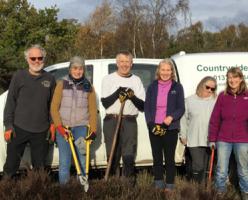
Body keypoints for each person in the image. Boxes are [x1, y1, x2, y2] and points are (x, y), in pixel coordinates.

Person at [3, 44, 56, 177]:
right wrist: (8, 126)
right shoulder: (18, 77)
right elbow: (10, 102)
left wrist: (52, 124)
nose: (37, 61)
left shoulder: (50, 79)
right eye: (33, 58)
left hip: (42, 130)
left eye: (40, 58)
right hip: (19, 128)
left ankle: (36, 193)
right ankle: (6, 192)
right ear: (27, 59)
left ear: (44, 58)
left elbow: (53, 105)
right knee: (11, 165)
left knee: (40, 168)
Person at [209, 67, 248, 200]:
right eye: (229, 78)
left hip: (243, 140)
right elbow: (215, 119)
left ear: (241, 78)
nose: (232, 80)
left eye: (235, 77)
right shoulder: (222, 96)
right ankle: (219, 194)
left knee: (243, 170)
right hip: (223, 139)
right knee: (221, 171)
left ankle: (246, 195)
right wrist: (212, 139)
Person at [50, 56, 97, 184]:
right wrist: (60, 127)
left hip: (82, 129)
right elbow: (54, 108)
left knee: (82, 161)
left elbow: (93, 110)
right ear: (70, 69)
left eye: (80, 68)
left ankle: (81, 191)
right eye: (75, 68)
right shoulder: (61, 84)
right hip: (65, 130)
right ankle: (65, 193)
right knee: (64, 162)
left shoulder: (89, 87)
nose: (78, 71)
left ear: (84, 70)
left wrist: (93, 131)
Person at [100, 50, 145, 186]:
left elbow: (142, 105)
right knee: (112, 153)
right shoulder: (108, 79)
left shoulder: (136, 80)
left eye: (127, 62)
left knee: (128, 154)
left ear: (131, 63)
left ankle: (128, 186)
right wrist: (118, 92)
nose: (124, 65)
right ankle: (113, 185)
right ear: (117, 63)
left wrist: (131, 96)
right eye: (122, 62)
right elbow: (105, 103)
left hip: (129, 120)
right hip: (111, 119)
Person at [144, 58, 185, 194]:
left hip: (170, 128)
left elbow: (181, 108)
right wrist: (151, 124)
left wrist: (171, 117)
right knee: (157, 157)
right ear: (159, 71)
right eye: (163, 70)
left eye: (168, 70)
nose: (165, 72)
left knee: (169, 158)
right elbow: (147, 108)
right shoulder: (152, 87)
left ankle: (169, 186)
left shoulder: (177, 87)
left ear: (172, 72)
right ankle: (158, 184)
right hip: (155, 128)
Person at [180, 76, 217, 183]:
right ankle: (196, 189)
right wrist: (183, 136)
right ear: (201, 85)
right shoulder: (189, 100)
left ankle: (205, 191)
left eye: (212, 89)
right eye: (207, 87)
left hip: (211, 139)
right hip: (194, 139)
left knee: (207, 167)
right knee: (198, 165)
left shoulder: (216, 101)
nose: (209, 90)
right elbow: (183, 119)